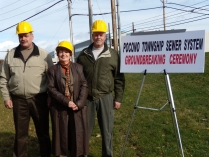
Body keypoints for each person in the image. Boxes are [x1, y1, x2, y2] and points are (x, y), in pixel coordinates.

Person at [0, 21, 53, 157]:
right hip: (18, 100)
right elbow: (4, 78)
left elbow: (52, 79)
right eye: (20, 36)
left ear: (32, 36)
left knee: (43, 132)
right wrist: (6, 97)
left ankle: (45, 154)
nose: (23, 38)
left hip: (39, 99)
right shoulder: (11, 55)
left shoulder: (44, 55)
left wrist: (50, 98)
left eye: (26, 35)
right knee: (20, 134)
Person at [77, 20, 125, 157]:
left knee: (107, 131)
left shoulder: (113, 55)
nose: (98, 37)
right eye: (96, 34)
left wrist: (118, 98)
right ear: (92, 35)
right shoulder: (83, 55)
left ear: (105, 36)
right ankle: (82, 154)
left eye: (101, 34)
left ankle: (107, 155)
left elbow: (119, 78)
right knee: (84, 130)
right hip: (87, 98)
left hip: (106, 97)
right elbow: (77, 78)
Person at [47, 40, 89, 157]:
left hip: (77, 107)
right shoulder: (52, 70)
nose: (63, 54)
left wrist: (79, 103)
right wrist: (67, 102)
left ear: (70, 54)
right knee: (62, 136)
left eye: (66, 51)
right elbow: (51, 89)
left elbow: (84, 85)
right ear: (57, 53)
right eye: (60, 51)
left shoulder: (78, 67)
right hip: (59, 108)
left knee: (77, 135)